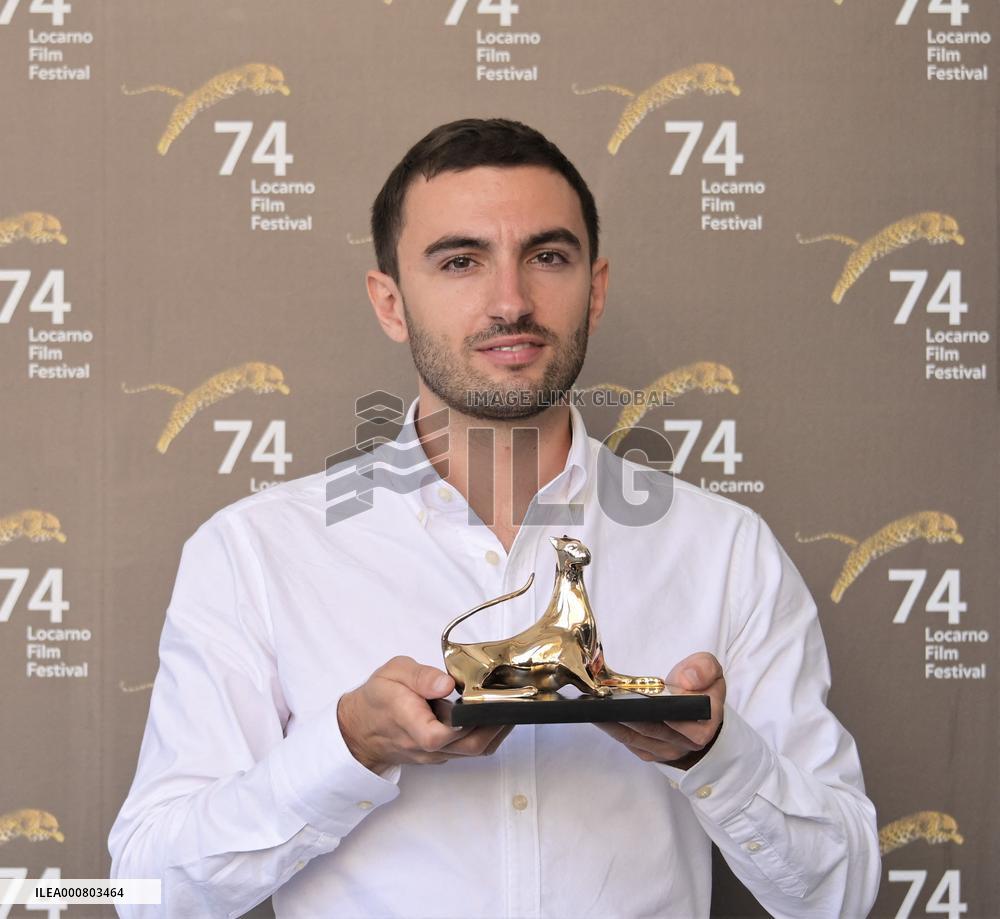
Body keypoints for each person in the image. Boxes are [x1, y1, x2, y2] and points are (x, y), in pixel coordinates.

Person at [109, 118, 880, 918]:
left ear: (598, 287)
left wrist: (721, 757)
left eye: (548, 257)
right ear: (390, 302)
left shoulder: (724, 550)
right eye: (460, 261)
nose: (510, 300)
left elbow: (844, 892)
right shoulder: (253, 554)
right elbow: (144, 892)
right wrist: (349, 748)